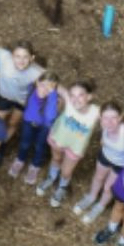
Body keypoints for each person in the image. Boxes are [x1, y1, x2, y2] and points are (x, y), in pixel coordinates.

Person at [37, 81, 99, 209]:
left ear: (89, 97)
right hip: (59, 138)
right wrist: (44, 80)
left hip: (75, 147)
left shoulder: (96, 112)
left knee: (66, 171)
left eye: (81, 95)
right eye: (72, 95)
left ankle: (62, 186)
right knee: (56, 159)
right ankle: (51, 177)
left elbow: (115, 115)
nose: (76, 99)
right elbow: (54, 83)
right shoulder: (69, 101)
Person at [72, 104, 124, 223]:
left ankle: (100, 206)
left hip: (120, 164)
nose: (109, 122)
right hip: (105, 155)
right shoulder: (103, 124)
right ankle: (91, 197)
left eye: (113, 118)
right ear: (100, 118)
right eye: (106, 118)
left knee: (108, 187)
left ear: (120, 118)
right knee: (98, 177)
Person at [0, 42, 45, 142]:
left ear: (32, 58)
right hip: (5, 96)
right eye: (17, 56)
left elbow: (53, 83)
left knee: (13, 122)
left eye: (25, 57)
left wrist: (65, 97)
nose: (21, 60)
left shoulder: (37, 72)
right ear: (11, 56)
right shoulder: (4, 58)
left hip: (22, 101)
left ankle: (3, 143)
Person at [9, 72, 60, 184]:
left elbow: (50, 117)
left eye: (50, 87)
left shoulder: (53, 99)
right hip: (28, 122)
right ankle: (20, 160)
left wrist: (52, 95)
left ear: (54, 90)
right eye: (43, 85)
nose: (45, 89)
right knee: (24, 143)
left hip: (44, 127)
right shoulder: (31, 89)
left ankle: (35, 166)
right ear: (37, 82)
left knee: (39, 146)